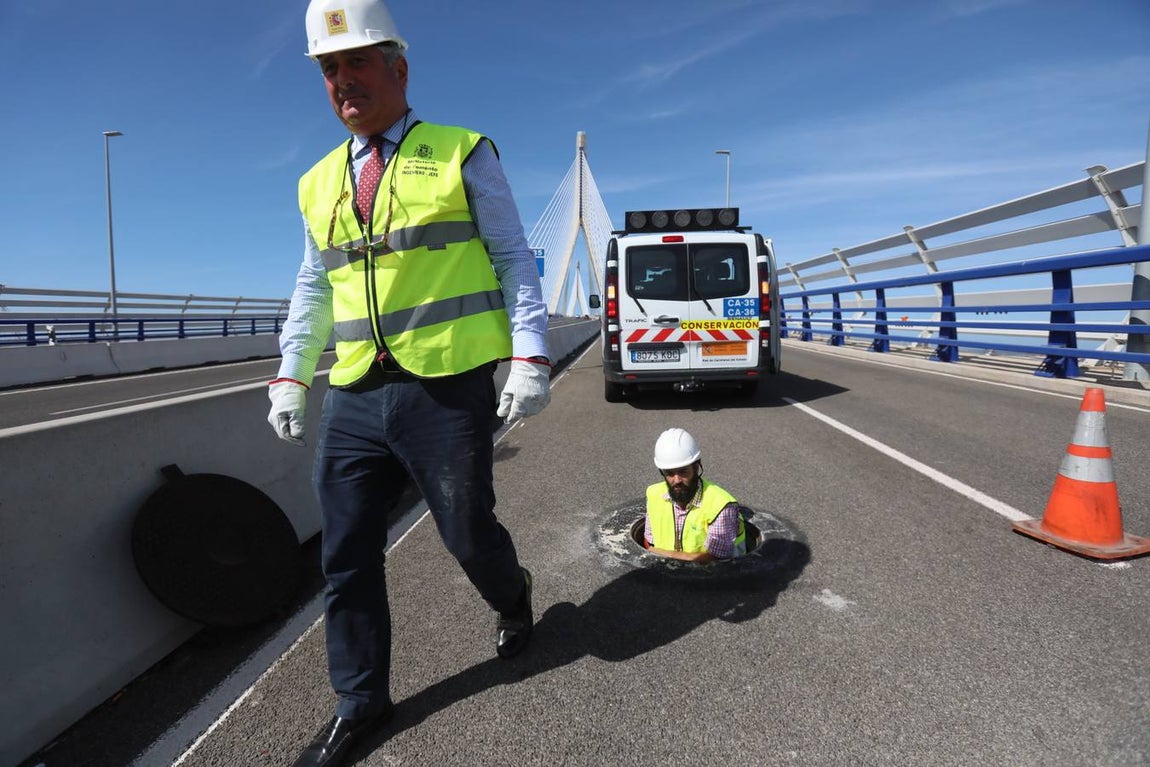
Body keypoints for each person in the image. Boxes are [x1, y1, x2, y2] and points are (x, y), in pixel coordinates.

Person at [265, 2, 551, 765]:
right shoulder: (318, 182)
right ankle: (361, 701)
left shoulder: (462, 152)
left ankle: (512, 593)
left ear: (398, 67)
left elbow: (513, 255)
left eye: (356, 61)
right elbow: (314, 286)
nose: (342, 80)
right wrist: (293, 373)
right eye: (329, 68)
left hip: (446, 384)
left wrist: (530, 354)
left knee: (467, 532)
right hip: (355, 390)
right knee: (346, 552)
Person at [644, 428, 746, 562]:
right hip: (663, 570)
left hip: (710, 574)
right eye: (669, 473)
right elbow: (649, 542)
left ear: (696, 467)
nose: (677, 480)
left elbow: (717, 558)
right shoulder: (654, 494)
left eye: (683, 472)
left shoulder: (721, 506)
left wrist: (662, 553)